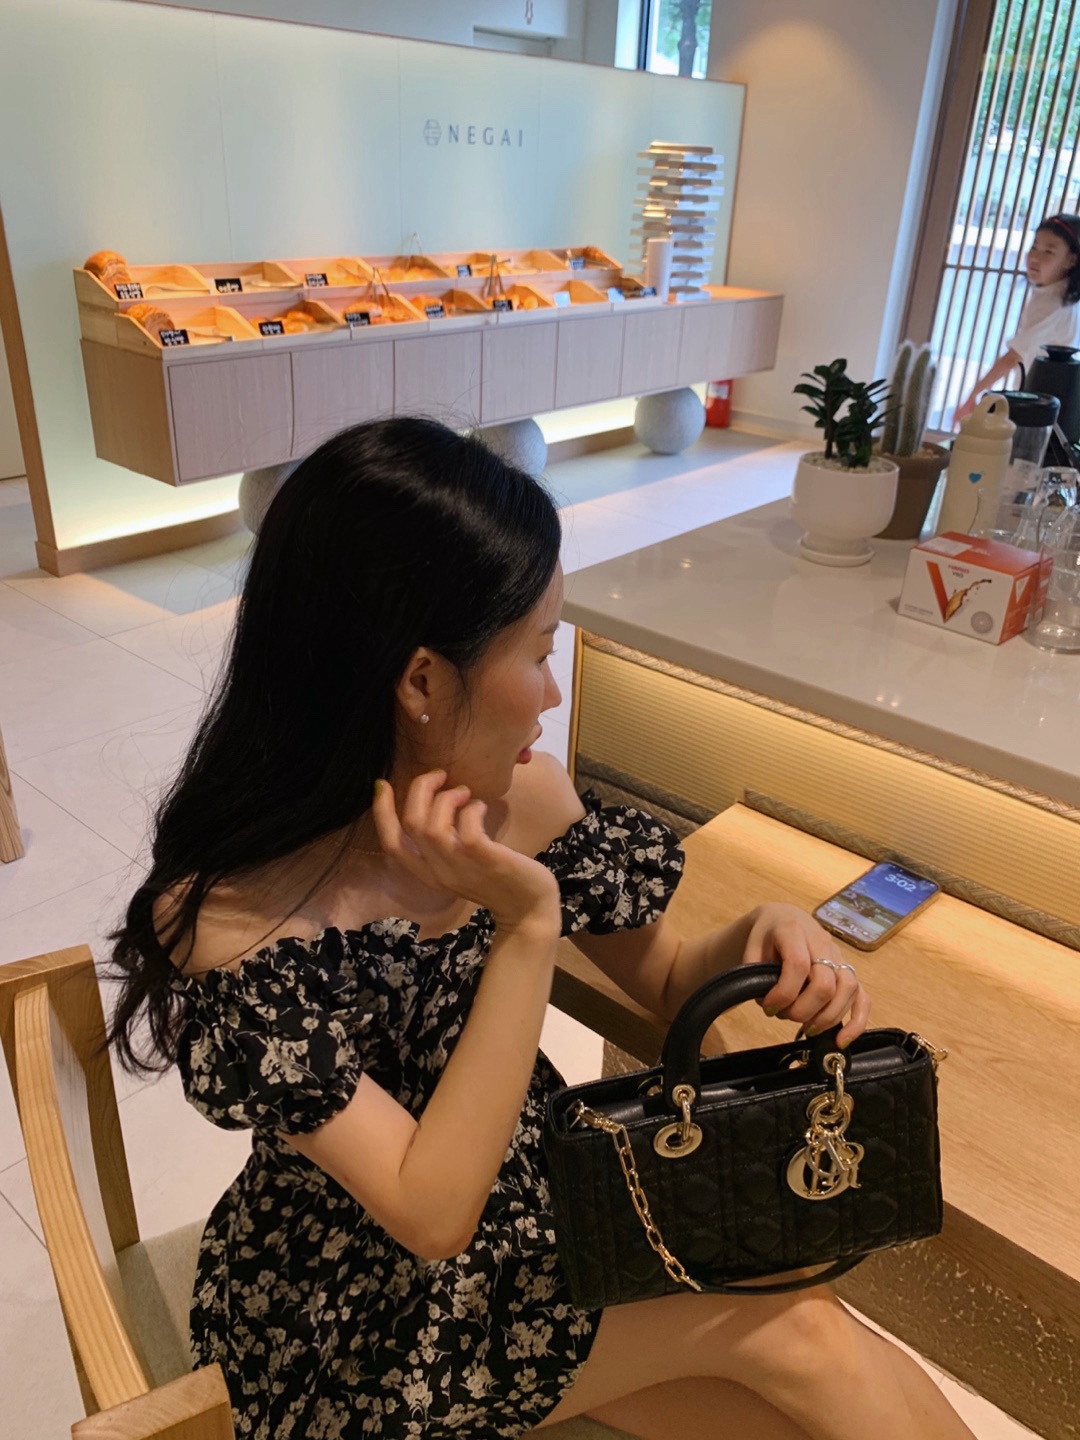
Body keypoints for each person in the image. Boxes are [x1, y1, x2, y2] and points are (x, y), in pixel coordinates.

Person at [109, 418, 975, 1440]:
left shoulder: (524, 800)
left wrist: (758, 933)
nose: (553, 692)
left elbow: (666, 976)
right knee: (797, 1330)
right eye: (537, 650)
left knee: (794, 1363)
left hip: (535, 1208)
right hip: (360, 1307)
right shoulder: (240, 921)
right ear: (422, 681)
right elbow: (430, 1214)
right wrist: (526, 923)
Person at [955, 211, 1080, 423]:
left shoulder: (1054, 302)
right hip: (1049, 405)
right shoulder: (1058, 295)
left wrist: (973, 396)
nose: (1035, 257)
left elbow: (1013, 357)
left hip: (1043, 408)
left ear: (1070, 260)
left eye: (1049, 251)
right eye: (1034, 247)